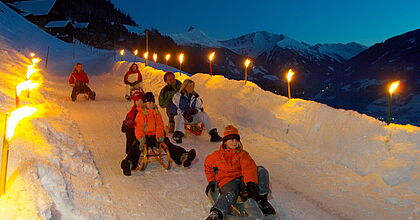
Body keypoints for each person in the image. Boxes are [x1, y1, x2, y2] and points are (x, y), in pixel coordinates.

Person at [204, 125, 276, 220]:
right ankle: (217, 212)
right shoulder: (216, 156)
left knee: (260, 170)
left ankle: (262, 200)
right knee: (230, 193)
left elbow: (249, 168)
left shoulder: (242, 154)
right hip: (228, 181)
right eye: (231, 140)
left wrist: (251, 183)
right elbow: (207, 166)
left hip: (242, 179)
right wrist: (211, 181)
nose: (234, 142)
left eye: (236, 140)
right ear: (225, 142)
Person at [120, 92, 196, 176]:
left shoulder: (157, 113)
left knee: (167, 143)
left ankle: (183, 156)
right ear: (145, 104)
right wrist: (141, 138)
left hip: (155, 137)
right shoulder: (140, 114)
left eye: (152, 102)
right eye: (149, 103)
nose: (151, 104)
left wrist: (160, 136)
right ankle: (128, 163)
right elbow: (138, 128)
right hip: (143, 138)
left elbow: (160, 126)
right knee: (136, 147)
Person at [171, 79, 222, 143]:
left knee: (203, 114)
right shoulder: (178, 96)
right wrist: (184, 113)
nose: (191, 88)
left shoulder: (195, 96)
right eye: (189, 86)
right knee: (179, 116)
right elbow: (173, 109)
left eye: (192, 86)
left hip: (191, 117)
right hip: (182, 118)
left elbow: (200, 108)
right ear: (185, 86)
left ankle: (213, 134)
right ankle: (178, 134)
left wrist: (196, 111)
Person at [121, 91, 144, 155]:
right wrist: (130, 123)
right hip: (132, 127)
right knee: (130, 136)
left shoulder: (146, 109)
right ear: (135, 102)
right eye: (137, 100)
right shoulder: (134, 110)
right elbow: (129, 119)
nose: (140, 102)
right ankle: (129, 151)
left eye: (141, 100)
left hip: (141, 128)